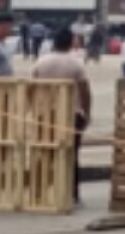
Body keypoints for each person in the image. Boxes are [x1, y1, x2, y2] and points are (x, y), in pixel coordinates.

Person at [32, 28, 91, 205]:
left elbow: (32, 88)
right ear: (71, 42)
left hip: (46, 114)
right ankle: (72, 193)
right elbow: (85, 91)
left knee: (44, 151)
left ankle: (40, 191)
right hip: (71, 114)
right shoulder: (76, 64)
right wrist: (87, 113)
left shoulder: (41, 62)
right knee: (71, 154)